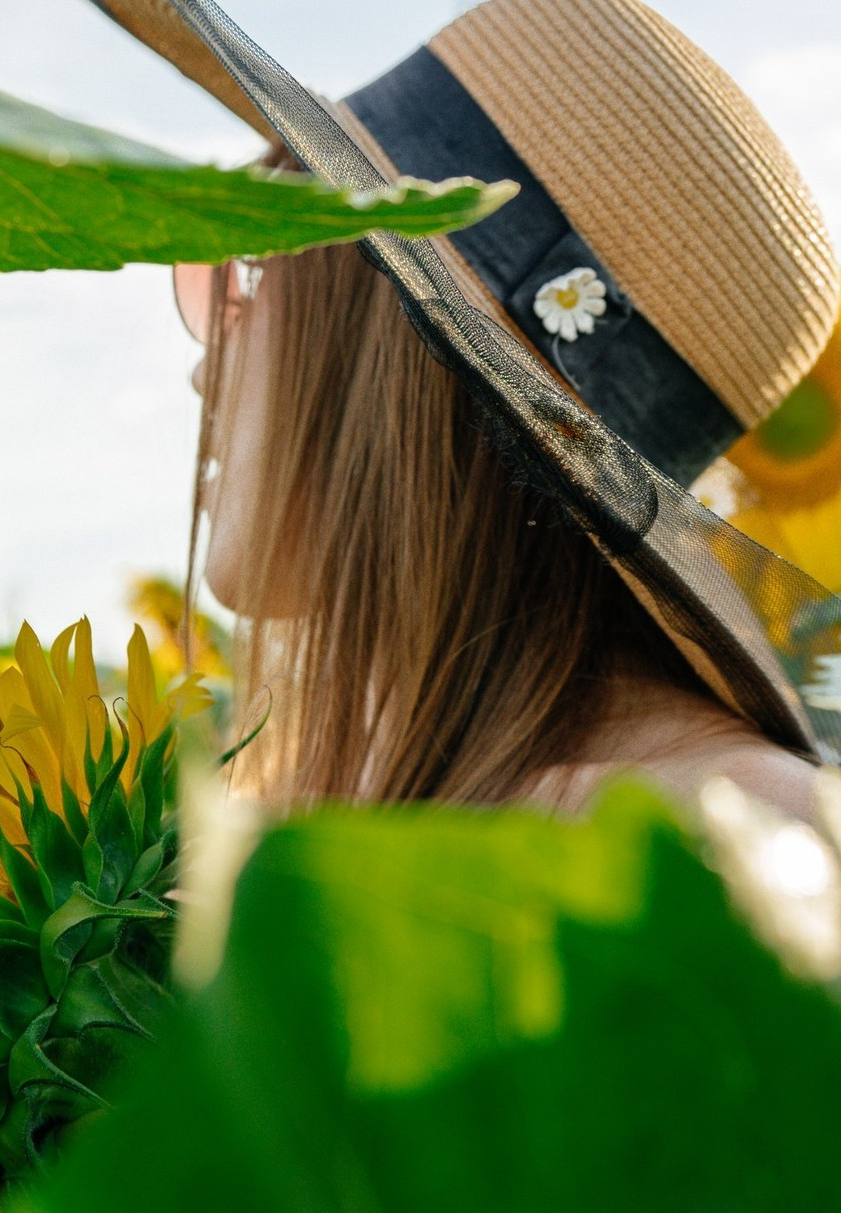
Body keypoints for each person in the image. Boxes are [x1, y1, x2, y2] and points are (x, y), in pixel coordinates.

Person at [135, 0, 841, 820]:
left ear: (392, 338)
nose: (205, 369)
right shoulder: (332, 801)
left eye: (254, 266)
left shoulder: (732, 839)